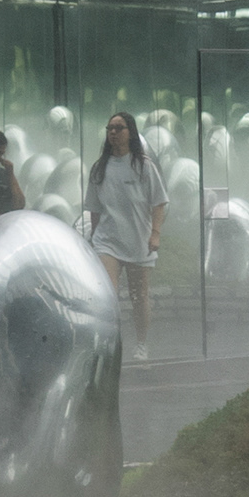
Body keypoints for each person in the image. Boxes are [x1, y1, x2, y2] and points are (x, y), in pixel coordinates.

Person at [79, 110, 167, 355]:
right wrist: (94, 238)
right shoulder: (100, 168)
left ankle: (141, 344)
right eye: (110, 129)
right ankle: (109, 344)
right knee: (107, 294)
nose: (113, 133)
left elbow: (159, 203)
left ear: (131, 133)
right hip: (107, 242)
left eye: (119, 128)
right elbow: (94, 208)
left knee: (139, 297)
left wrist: (155, 233)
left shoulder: (144, 166)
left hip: (139, 241)